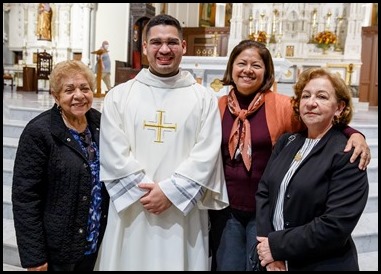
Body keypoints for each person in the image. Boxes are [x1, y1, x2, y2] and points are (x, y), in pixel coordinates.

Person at [208, 40, 371, 271]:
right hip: (228, 209)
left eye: (256, 64)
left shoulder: (282, 106)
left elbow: (318, 123)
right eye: (241, 63)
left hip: (263, 215)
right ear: (231, 68)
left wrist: (354, 133)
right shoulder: (217, 106)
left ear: (266, 71)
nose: (247, 69)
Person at [96, 14, 228, 271]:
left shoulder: (204, 99)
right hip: (133, 211)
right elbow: (114, 154)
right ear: (144, 47)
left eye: (172, 42)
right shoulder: (119, 96)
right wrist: (149, 194)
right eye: (156, 42)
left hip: (182, 212)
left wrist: (169, 192)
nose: (164, 49)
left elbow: (207, 154)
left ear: (184, 47)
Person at [255, 67, 369, 271]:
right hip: (273, 260)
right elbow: (264, 191)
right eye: (305, 96)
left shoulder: (347, 152)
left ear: (339, 108)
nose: (311, 102)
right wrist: (268, 247)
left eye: (322, 97)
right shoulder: (287, 142)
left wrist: (277, 246)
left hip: (321, 263)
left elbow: (336, 225)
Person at [12, 60, 110, 271]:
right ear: (56, 96)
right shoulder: (39, 132)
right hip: (58, 248)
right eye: (69, 90)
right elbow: (25, 197)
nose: (79, 95)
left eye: (85, 88)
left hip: (94, 241)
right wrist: (34, 257)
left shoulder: (100, 123)